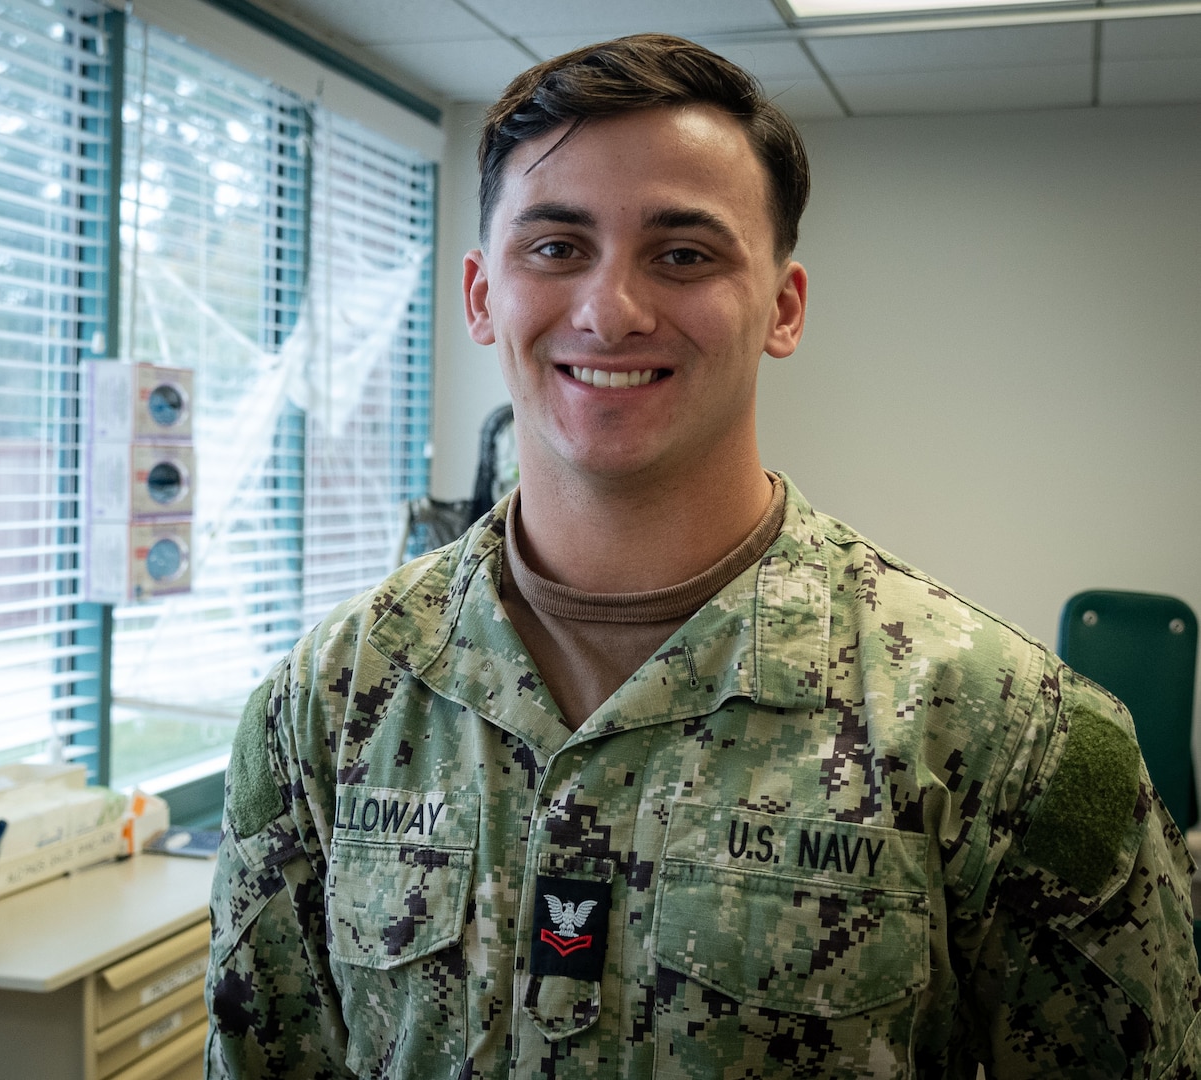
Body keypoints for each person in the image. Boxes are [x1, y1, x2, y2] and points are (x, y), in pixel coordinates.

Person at [202, 32, 1201, 1080]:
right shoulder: (323, 706)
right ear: (481, 294)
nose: (610, 309)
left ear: (783, 306)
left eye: (684, 254)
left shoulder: (1005, 734)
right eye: (555, 247)